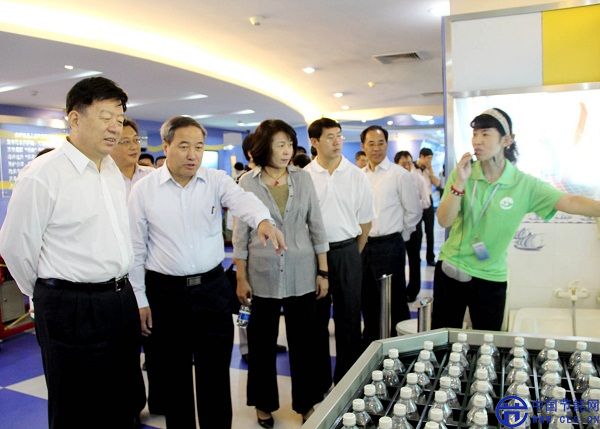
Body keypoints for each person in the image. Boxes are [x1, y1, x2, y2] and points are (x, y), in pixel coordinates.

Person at [0, 76, 145, 429]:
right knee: (76, 406)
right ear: (75, 118)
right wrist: (46, 293)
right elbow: (15, 246)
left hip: (118, 298)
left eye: (119, 118)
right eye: (105, 117)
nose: (115, 127)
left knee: (124, 398)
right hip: (71, 305)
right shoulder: (44, 174)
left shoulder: (110, 170)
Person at [128, 115, 285, 429]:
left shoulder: (216, 181)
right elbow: (135, 249)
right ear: (166, 146)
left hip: (211, 291)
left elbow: (244, 201)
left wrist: (263, 221)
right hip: (166, 293)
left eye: (199, 147)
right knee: (175, 377)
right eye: (184, 146)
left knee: (215, 375)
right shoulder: (144, 191)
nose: (193, 155)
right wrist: (140, 299)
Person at [432, 107, 600, 331]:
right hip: (451, 268)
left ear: (507, 140)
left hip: (491, 276)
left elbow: (570, 201)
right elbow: (444, 221)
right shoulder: (463, 173)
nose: (477, 141)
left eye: (485, 134)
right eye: (475, 134)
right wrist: (460, 183)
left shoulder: (524, 184)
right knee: (442, 339)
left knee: (488, 342)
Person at [233, 119, 329, 427]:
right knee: (261, 345)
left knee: (304, 344)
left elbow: (317, 225)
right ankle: (263, 404)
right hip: (262, 274)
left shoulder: (303, 179)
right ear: (264, 148)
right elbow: (240, 236)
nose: (287, 151)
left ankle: (306, 402)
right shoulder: (248, 183)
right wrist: (241, 277)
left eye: (289, 144)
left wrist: (323, 271)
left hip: (302, 271)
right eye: (279, 145)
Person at [305, 118, 374, 390]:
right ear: (314, 142)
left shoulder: (356, 175)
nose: (337, 142)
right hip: (313, 256)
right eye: (330, 137)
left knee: (349, 319)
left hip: (347, 251)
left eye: (340, 136)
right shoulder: (304, 176)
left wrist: (352, 253)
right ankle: (320, 384)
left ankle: (346, 382)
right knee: (316, 321)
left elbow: (365, 222)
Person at [360, 125, 421, 343]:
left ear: (387, 144)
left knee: (394, 298)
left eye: (381, 143)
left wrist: (400, 237)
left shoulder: (399, 175)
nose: (376, 148)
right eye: (371, 144)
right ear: (363, 146)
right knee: (367, 297)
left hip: (390, 244)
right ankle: (371, 342)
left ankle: (399, 345)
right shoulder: (359, 176)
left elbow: (413, 212)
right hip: (364, 244)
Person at [395, 150, 431, 302]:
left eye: (409, 163)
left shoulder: (418, 179)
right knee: (398, 261)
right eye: (403, 163)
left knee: (414, 259)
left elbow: (427, 202)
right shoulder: (393, 179)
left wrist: (412, 204)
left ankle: (413, 290)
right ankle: (399, 290)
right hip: (397, 227)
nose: (406, 166)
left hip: (414, 226)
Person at [112, 117, 153, 196]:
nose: (134, 147)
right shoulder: (103, 178)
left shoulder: (152, 175)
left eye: (136, 140)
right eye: (126, 142)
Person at [415, 147, 441, 266]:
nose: (430, 161)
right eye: (428, 158)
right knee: (417, 233)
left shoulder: (429, 169)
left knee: (430, 231)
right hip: (416, 201)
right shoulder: (412, 167)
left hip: (428, 201)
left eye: (431, 158)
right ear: (421, 156)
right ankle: (416, 257)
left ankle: (430, 258)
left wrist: (430, 170)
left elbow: (437, 183)